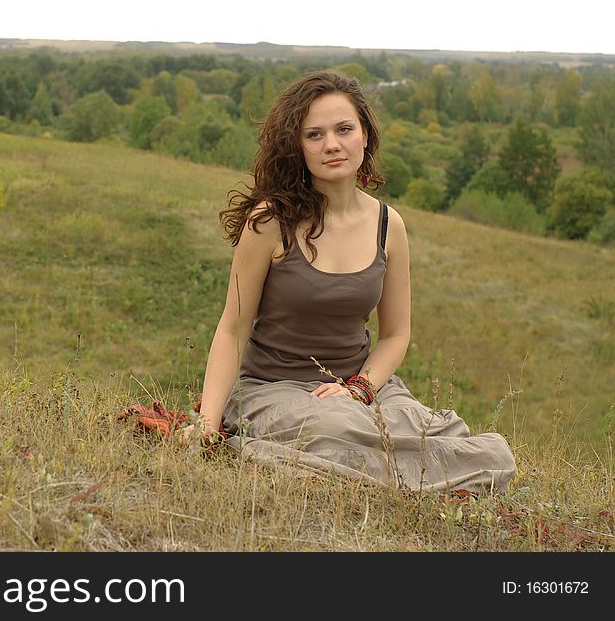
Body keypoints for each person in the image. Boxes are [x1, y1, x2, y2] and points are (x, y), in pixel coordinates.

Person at [183, 71, 517, 494]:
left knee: (472, 444)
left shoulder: (388, 225)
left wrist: (359, 389)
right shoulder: (270, 223)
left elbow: (396, 334)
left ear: (365, 135)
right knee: (338, 431)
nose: (332, 145)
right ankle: (411, 475)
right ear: (297, 146)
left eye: (344, 129)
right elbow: (233, 328)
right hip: (275, 391)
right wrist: (207, 423)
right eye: (314, 134)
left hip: (362, 389)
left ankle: (368, 469)